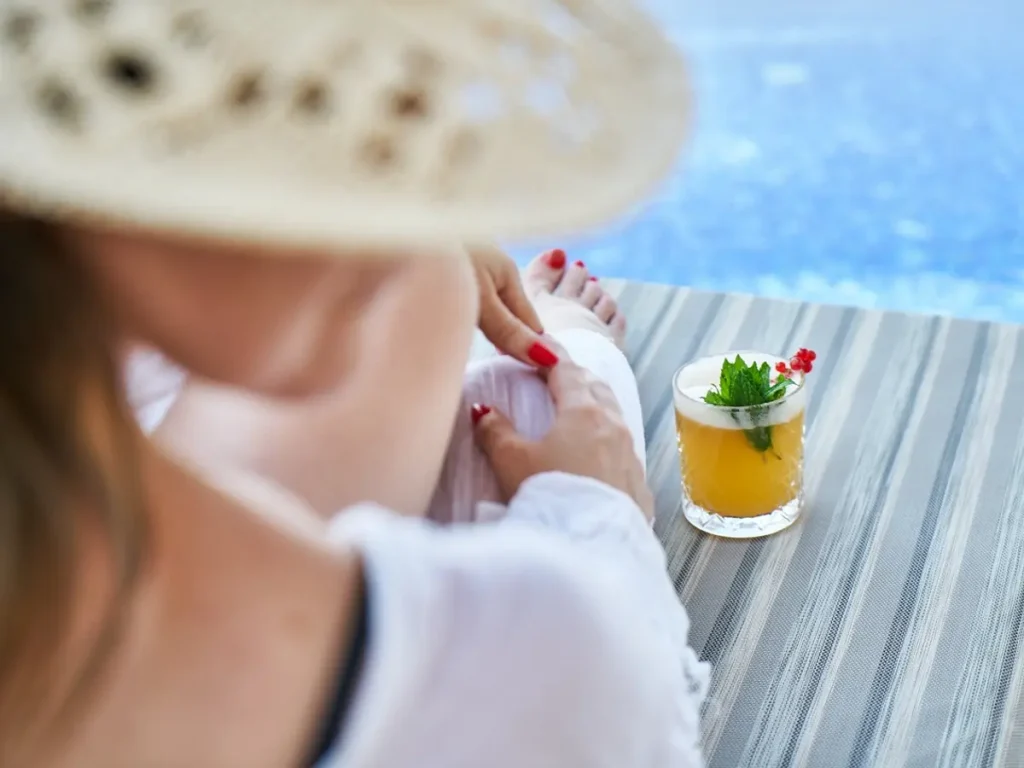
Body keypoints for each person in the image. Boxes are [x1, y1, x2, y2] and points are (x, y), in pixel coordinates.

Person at [0, 1, 708, 766]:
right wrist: (600, 513)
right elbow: (633, 694)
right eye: (320, 114)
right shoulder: (548, 660)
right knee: (527, 385)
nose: (426, 200)